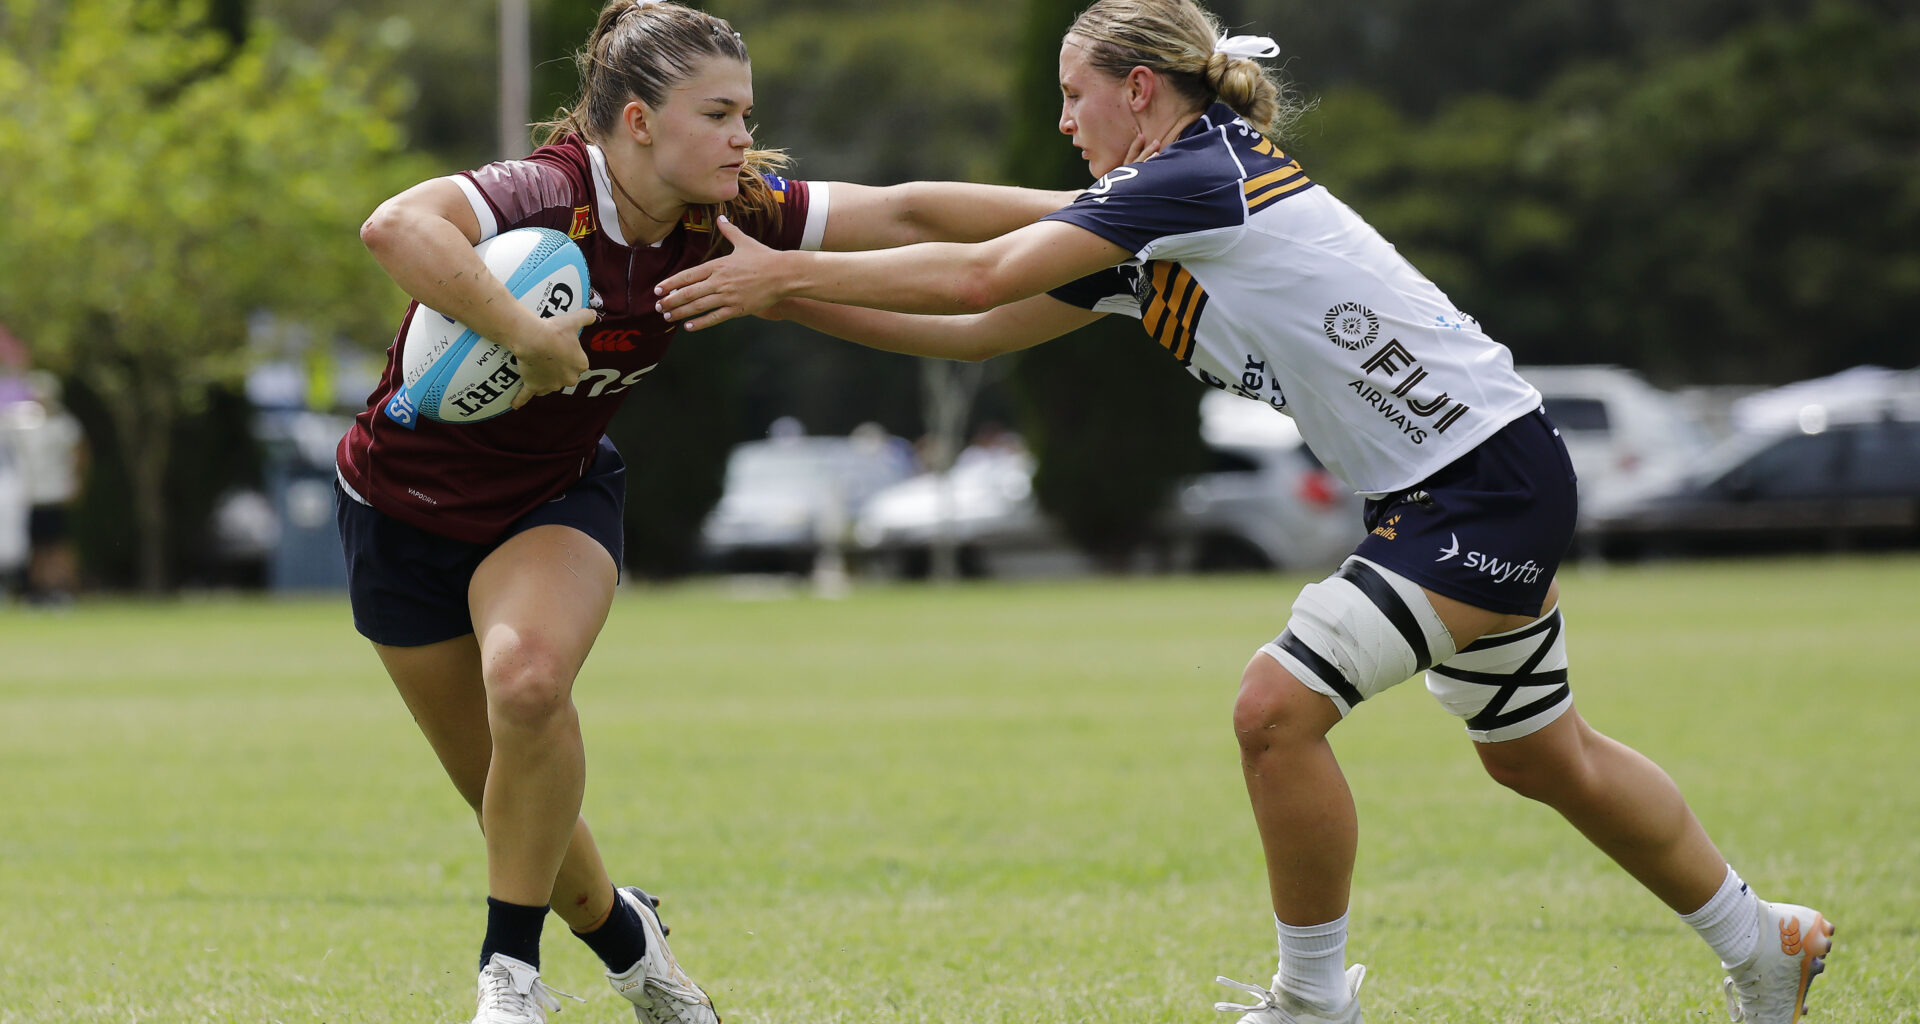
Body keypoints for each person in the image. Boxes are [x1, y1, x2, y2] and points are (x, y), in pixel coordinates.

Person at [652, 1, 1835, 1021]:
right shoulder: (1146, 217)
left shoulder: (1200, 173)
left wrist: (784, 270)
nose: (1064, 122)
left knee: (1275, 710)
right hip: (1458, 488)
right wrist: (773, 278)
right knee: (1544, 759)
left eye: (1076, 98)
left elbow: (973, 269)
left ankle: (1315, 994)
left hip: (1487, 482)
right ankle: (1763, 942)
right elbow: (956, 288)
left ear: (1138, 89)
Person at [335, 3, 1073, 1022]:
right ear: (637, 121)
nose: (741, 139)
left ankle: (509, 979)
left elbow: (905, 213)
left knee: (530, 683)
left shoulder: (729, 211)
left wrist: (1113, 205)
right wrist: (522, 332)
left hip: (553, 499)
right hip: (396, 511)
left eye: (747, 113)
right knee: (508, 798)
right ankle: (630, 943)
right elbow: (394, 226)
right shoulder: (547, 191)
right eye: (719, 114)